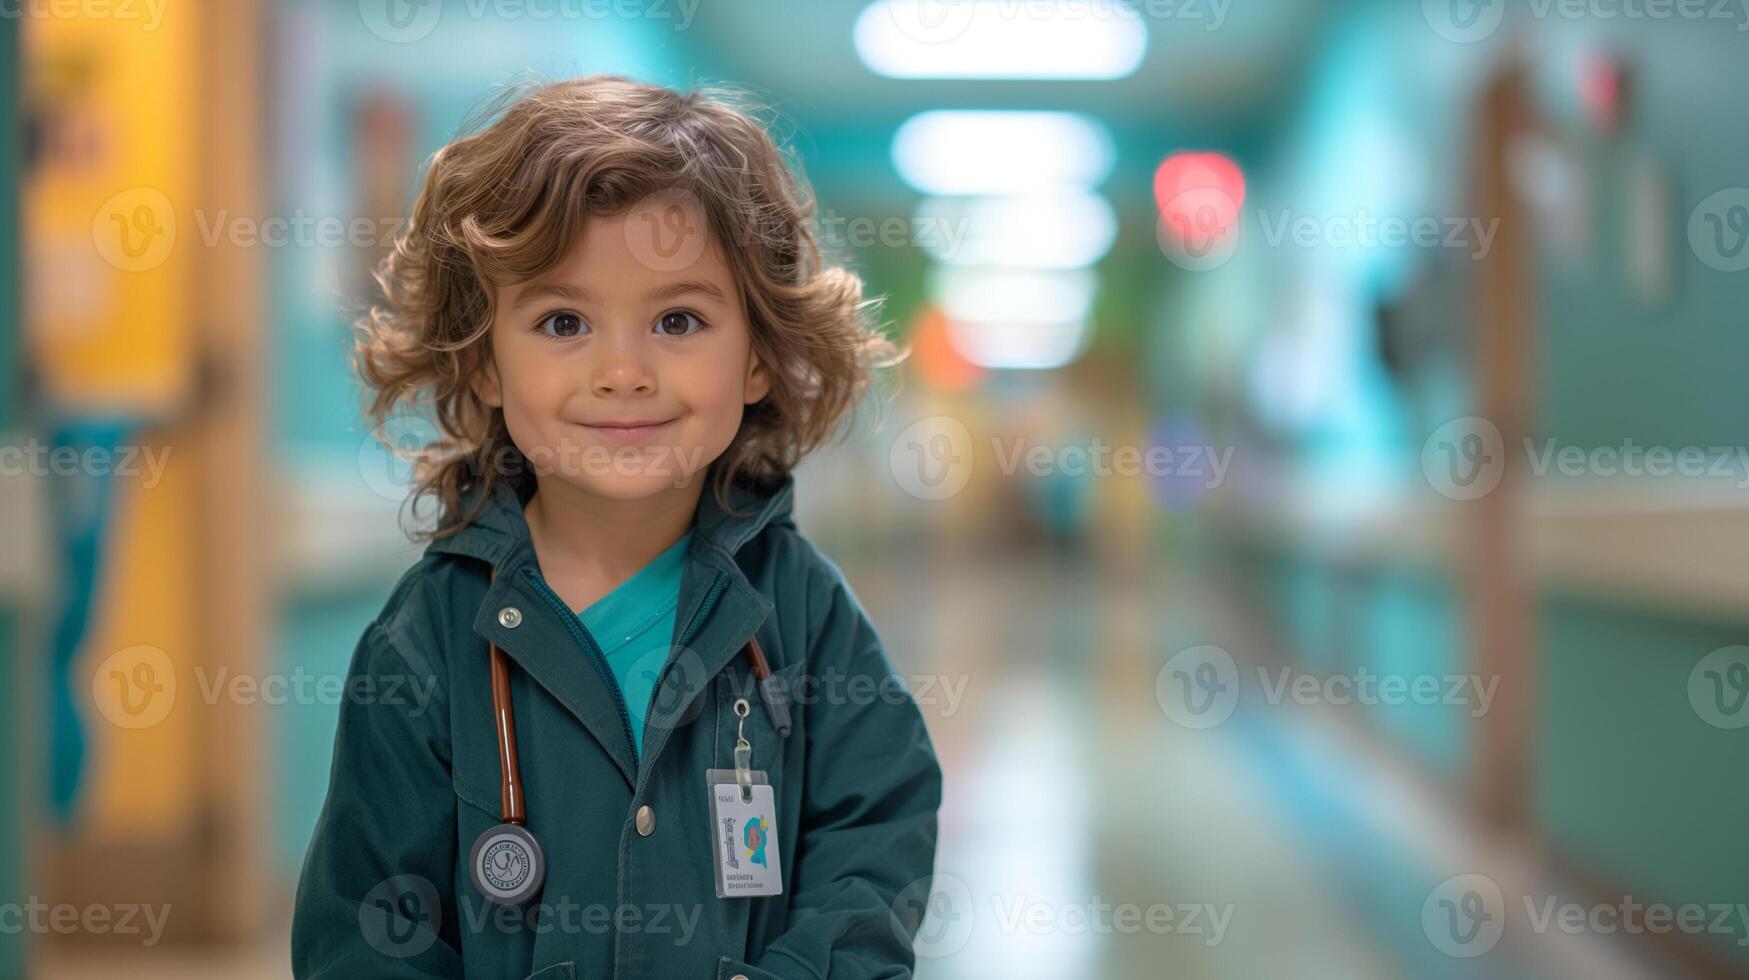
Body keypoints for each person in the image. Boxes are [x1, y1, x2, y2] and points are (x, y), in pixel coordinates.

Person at [291, 75, 943, 979]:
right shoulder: (426, 641)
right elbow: (365, 925)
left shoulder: (800, 613)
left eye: (678, 319)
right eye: (564, 321)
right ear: (483, 364)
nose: (623, 371)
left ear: (756, 356)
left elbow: (876, 833)